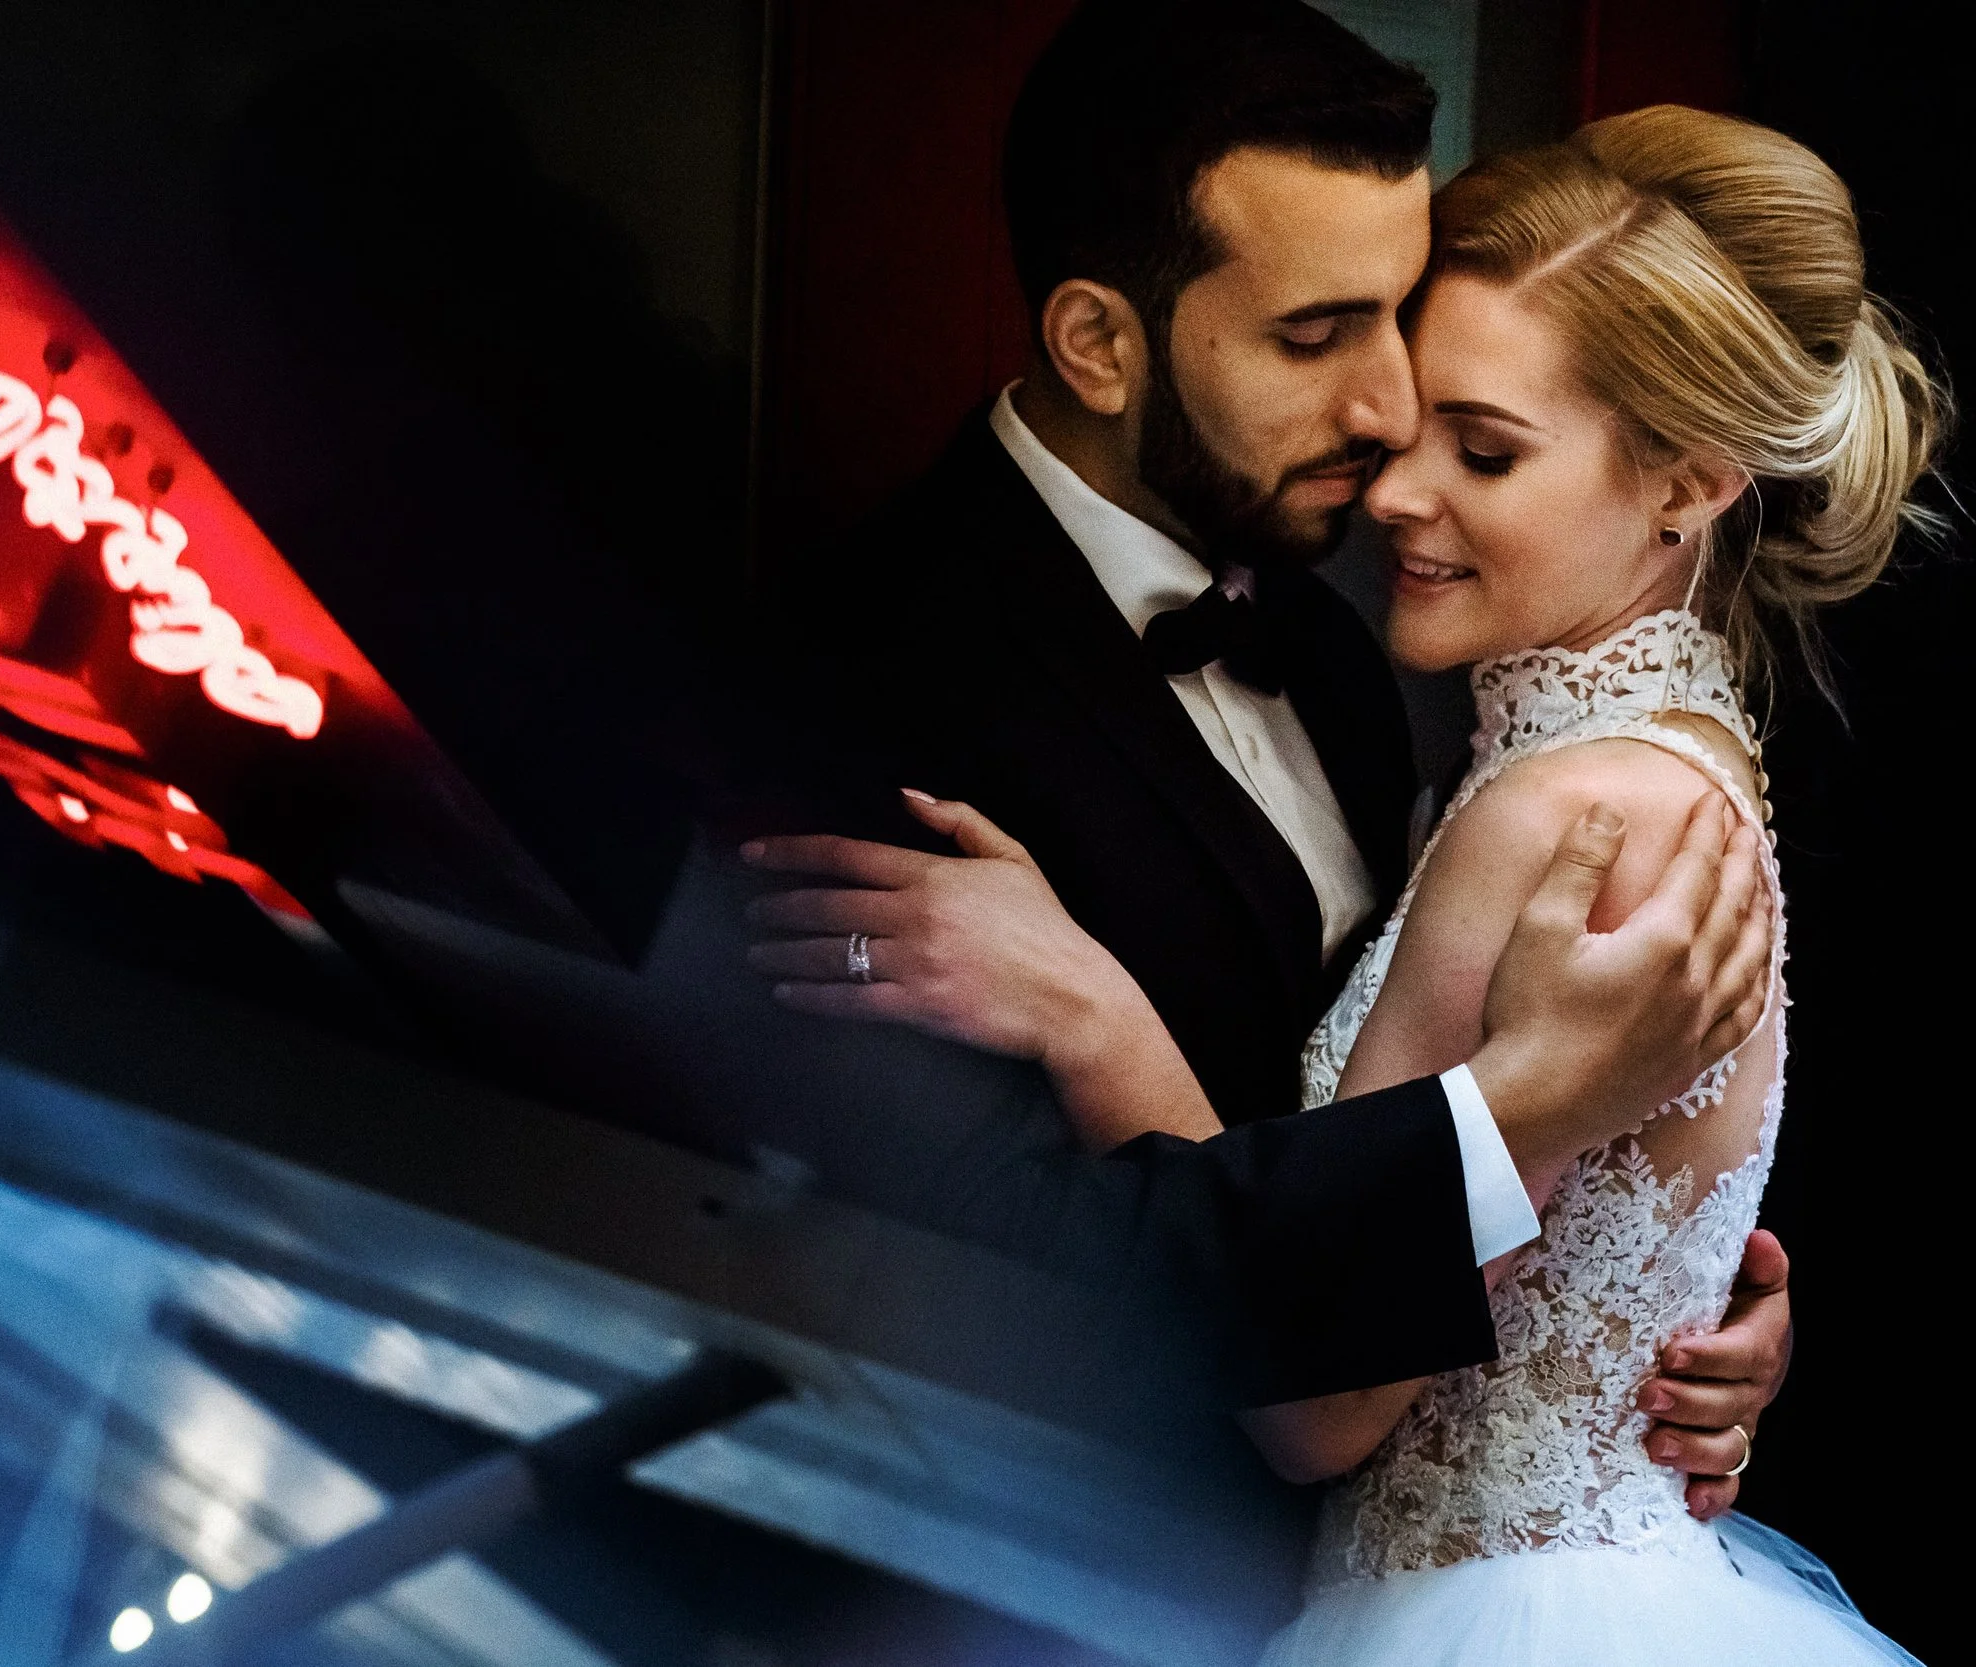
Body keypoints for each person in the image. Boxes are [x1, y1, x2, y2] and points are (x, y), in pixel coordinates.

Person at [751, 103, 1936, 1663]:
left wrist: (1087, 1006)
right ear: (1100, 339)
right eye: (1339, 346)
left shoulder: (1551, 798)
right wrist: (1642, 1316)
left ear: (1689, 483)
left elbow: (1318, 1403)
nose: (1392, 475)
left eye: (1483, 445)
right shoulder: (1606, 741)